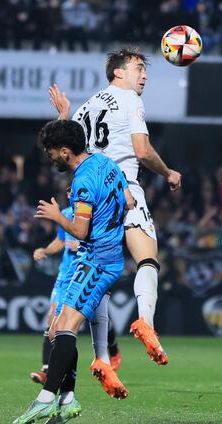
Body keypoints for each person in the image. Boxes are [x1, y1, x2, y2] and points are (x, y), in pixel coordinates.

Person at [49, 46, 182, 366]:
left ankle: (101, 356)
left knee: (97, 273)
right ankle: (146, 323)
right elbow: (142, 149)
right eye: (139, 68)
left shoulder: (85, 108)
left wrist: (64, 117)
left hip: (93, 197)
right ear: (119, 72)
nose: (145, 75)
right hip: (124, 189)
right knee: (147, 259)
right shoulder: (131, 100)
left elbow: (69, 157)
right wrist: (168, 172)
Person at [12, 119, 133, 424]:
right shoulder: (105, 163)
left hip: (99, 261)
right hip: (95, 257)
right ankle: (67, 399)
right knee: (56, 328)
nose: (49, 157)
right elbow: (129, 199)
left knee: (65, 327)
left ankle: (46, 398)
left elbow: (79, 229)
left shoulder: (81, 182)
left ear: (65, 151)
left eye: (51, 151)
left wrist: (56, 216)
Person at [31, 191, 123, 385]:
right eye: (70, 191)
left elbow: (96, 235)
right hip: (66, 274)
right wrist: (46, 250)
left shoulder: (95, 211)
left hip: (87, 270)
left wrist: (81, 242)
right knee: (52, 320)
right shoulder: (64, 212)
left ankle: (112, 350)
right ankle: (47, 369)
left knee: (95, 317)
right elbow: (61, 241)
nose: (73, 193)